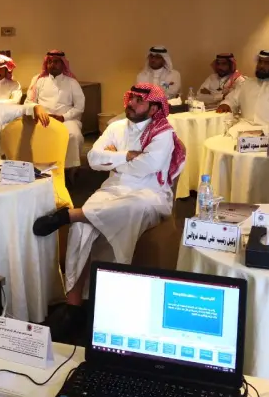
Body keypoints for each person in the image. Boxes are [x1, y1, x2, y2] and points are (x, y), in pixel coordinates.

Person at [32, 83, 186, 339]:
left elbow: (148, 166)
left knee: (131, 207)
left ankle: (70, 214)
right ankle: (73, 306)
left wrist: (114, 160)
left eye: (139, 101)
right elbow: (93, 159)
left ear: (154, 108)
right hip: (113, 189)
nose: (131, 103)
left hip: (149, 194)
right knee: (82, 227)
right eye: (131, 98)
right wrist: (128, 156)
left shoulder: (163, 134)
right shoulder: (116, 127)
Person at [26, 50, 85, 169]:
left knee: (74, 136)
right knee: (30, 134)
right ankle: (39, 169)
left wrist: (63, 117)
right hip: (43, 119)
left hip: (67, 119)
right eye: (50, 62)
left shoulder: (72, 82)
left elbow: (79, 106)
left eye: (56, 62)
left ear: (63, 64)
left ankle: (70, 169)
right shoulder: (38, 81)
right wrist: (38, 111)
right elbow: (28, 102)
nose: (53, 64)